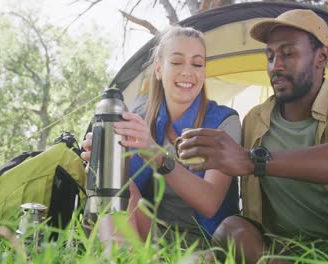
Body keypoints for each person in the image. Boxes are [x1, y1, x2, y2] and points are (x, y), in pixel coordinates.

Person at [177, 9, 328, 264]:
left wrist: (255, 161)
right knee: (232, 229)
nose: (276, 66)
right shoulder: (254, 119)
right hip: (288, 250)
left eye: (288, 53)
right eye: (270, 56)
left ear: (321, 57)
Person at [81, 26, 241, 246]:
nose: (187, 71)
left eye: (197, 63)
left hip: (204, 240)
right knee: (115, 187)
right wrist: (102, 161)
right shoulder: (139, 117)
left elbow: (210, 202)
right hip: (150, 233)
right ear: (158, 68)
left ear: (204, 71)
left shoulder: (225, 121)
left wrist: (154, 153)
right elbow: (126, 190)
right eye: (176, 62)